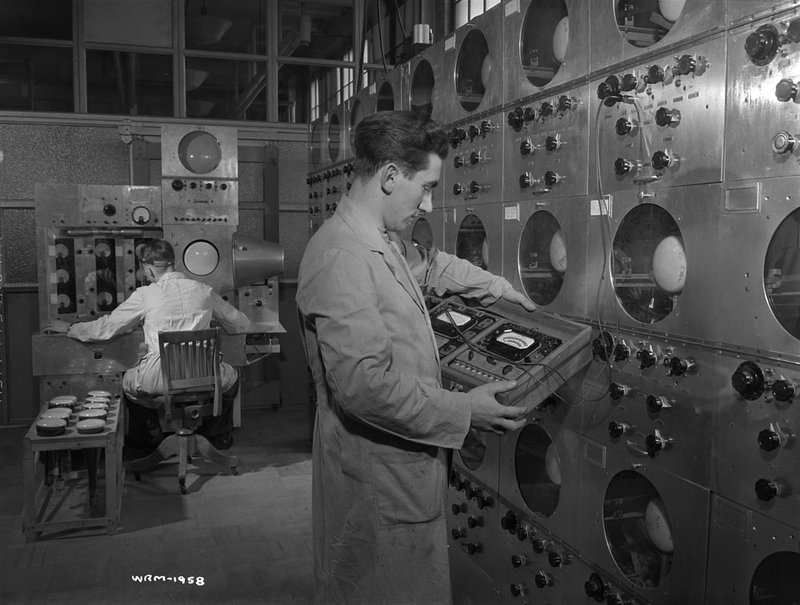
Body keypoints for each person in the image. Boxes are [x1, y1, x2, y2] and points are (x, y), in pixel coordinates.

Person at [296, 110, 537, 604]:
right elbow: (364, 387)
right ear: (389, 176)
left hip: (400, 472)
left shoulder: (380, 241)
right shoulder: (342, 257)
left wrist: (498, 288)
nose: (428, 204)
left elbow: (431, 266)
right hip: (376, 477)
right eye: (424, 187)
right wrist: (466, 410)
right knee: (382, 586)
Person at [47, 239, 250, 450]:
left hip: (159, 378)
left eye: (144, 270)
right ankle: (215, 436)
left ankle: (150, 440)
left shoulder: (146, 295)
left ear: (150, 269)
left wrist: (70, 328)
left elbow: (106, 328)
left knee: (128, 384)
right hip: (206, 375)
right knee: (232, 379)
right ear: (172, 263)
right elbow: (240, 323)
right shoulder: (203, 290)